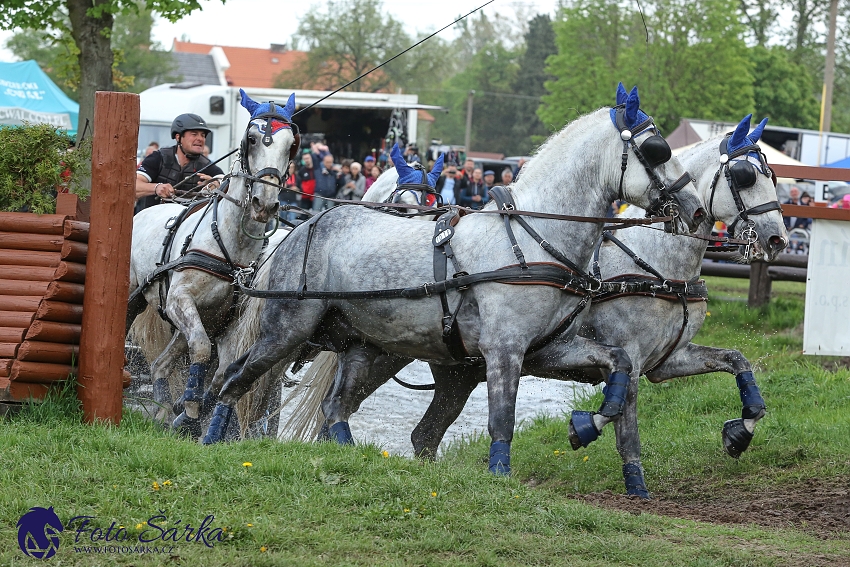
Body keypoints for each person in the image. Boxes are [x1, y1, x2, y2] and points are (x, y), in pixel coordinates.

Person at [135, 113, 223, 212]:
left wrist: (218, 184)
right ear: (178, 137)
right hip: (152, 221)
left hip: (187, 225)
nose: (200, 139)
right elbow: (134, 185)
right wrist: (156, 188)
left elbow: (227, 181)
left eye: (203, 135)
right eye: (194, 134)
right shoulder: (158, 158)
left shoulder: (206, 165)